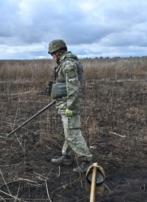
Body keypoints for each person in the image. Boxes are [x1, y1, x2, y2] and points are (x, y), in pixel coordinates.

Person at [47, 39, 93, 173]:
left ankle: (87, 160)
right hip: (64, 103)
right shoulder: (64, 63)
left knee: (72, 133)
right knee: (69, 130)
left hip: (69, 105)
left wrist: (70, 107)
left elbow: (74, 88)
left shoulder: (68, 65)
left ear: (58, 52)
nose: (52, 56)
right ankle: (66, 156)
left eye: (52, 54)